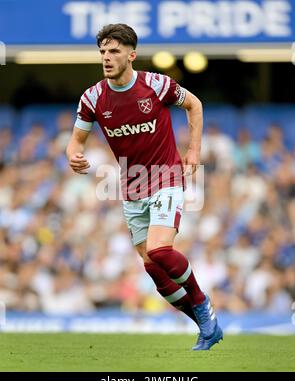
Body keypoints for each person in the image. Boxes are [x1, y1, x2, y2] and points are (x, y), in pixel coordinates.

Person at [66, 23, 222, 350]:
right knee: (153, 269)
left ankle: (202, 303)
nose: (107, 58)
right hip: (131, 186)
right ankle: (205, 323)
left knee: (159, 250)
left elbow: (194, 104)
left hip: (166, 176)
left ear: (131, 55)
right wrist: (73, 155)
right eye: (103, 52)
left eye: (114, 52)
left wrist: (193, 150)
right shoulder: (93, 98)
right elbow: (76, 140)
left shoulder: (156, 85)